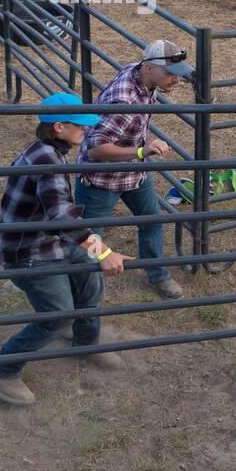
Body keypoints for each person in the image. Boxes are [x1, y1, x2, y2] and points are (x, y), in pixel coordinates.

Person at [0, 94, 129, 406]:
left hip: (50, 239)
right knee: (57, 314)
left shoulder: (51, 151)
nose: (86, 130)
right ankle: (3, 370)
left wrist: (94, 250)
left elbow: (60, 218)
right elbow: (61, 218)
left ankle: (86, 342)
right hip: (29, 251)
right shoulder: (46, 161)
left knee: (89, 286)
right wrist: (104, 253)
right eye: (80, 125)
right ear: (59, 127)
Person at [75, 40, 194, 300]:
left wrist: (191, 77)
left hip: (134, 173)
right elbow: (96, 149)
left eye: (180, 73)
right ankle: (81, 290)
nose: (177, 80)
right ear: (149, 68)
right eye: (171, 74)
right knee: (87, 236)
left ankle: (158, 274)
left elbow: (173, 74)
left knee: (151, 221)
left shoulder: (141, 73)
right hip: (101, 179)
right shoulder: (123, 101)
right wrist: (142, 152)